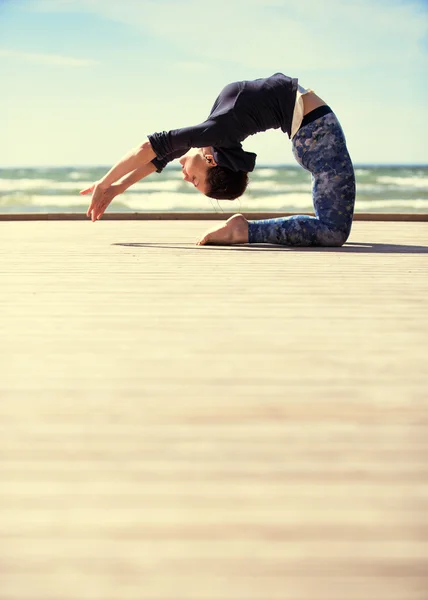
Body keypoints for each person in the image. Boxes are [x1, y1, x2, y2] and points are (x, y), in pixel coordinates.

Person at [81, 72, 355, 247]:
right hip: (318, 135)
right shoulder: (215, 136)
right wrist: (114, 187)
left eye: (194, 181)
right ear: (213, 162)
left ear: (211, 161)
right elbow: (156, 155)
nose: (186, 177)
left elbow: (152, 150)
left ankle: (244, 231)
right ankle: (245, 231)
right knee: (333, 232)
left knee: (331, 229)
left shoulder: (215, 134)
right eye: (194, 181)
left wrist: (108, 184)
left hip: (316, 134)